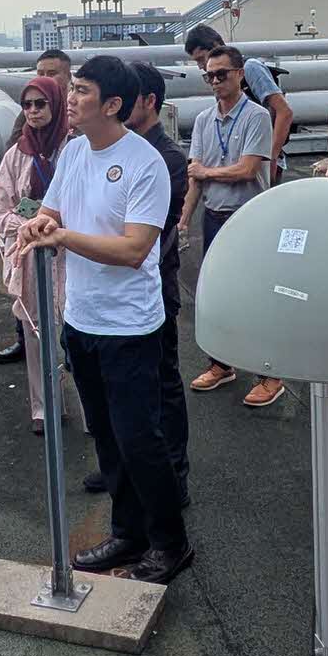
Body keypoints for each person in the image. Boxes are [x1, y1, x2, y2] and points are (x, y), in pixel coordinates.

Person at [14, 57, 192, 583]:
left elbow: (135, 249)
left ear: (113, 104)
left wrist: (63, 237)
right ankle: (127, 532)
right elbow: (54, 212)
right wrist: (38, 225)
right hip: (82, 318)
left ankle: (171, 543)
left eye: (82, 91)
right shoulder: (74, 152)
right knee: (108, 438)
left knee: (140, 439)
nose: (70, 99)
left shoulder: (145, 163)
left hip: (130, 326)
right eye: (72, 89)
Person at [185, 46, 284, 408]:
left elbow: (247, 169)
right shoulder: (203, 120)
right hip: (214, 216)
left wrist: (206, 172)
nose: (214, 81)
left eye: (221, 74)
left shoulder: (257, 116)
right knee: (218, 294)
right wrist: (184, 218)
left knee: (257, 296)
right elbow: (194, 176)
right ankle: (221, 363)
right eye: (208, 75)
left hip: (249, 218)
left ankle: (270, 373)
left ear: (240, 74)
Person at [0, 73, 71, 429]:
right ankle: (44, 408)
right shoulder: (16, 154)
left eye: (40, 103)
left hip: (72, 252)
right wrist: (26, 225)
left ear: (56, 105)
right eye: (27, 105)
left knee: (76, 330)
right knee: (35, 331)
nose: (33, 111)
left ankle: (90, 412)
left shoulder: (75, 148)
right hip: (32, 255)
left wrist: (57, 224)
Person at [127, 60, 194, 501]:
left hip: (154, 282)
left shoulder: (166, 157)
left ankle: (175, 473)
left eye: (125, 97)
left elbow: (154, 230)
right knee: (129, 383)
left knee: (162, 380)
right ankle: (129, 463)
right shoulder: (122, 149)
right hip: (125, 284)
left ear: (150, 101)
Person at [183, 23, 292, 177]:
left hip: (260, 158)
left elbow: (284, 111)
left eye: (201, 58)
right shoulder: (216, 81)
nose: (201, 66)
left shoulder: (251, 68)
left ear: (216, 47)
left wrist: (271, 157)